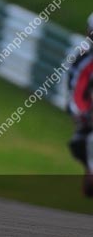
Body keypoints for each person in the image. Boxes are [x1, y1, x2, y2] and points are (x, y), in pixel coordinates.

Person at [67, 12, 93, 196]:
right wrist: (82, 113)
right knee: (80, 142)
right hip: (90, 119)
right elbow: (76, 90)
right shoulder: (84, 60)